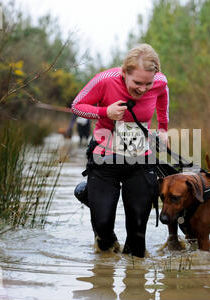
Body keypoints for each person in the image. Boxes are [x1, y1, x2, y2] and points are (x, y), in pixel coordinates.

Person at [71, 44, 169, 258]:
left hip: (140, 158)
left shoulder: (160, 82)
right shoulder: (105, 80)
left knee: (137, 237)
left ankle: (134, 283)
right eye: (137, 83)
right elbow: (77, 105)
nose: (143, 89)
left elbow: (163, 93)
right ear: (124, 72)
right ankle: (104, 235)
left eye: (148, 83)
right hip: (105, 157)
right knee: (103, 227)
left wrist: (162, 128)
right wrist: (105, 111)